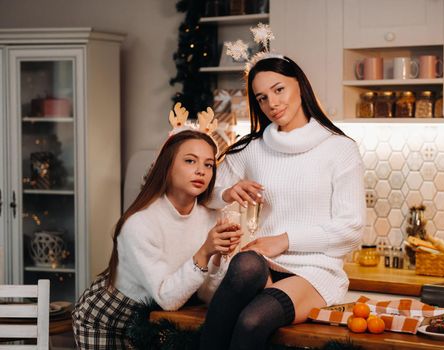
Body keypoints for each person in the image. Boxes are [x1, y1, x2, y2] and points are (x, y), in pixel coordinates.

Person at [199, 53, 366, 350]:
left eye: (279, 90)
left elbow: (351, 230)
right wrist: (226, 192)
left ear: (299, 85)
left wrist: (284, 240)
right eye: (262, 98)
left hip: (315, 270)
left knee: (252, 320)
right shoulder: (252, 148)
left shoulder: (339, 149)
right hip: (262, 263)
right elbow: (206, 191)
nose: (272, 104)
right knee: (246, 264)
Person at [72, 128, 241, 349]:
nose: (201, 171)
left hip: (158, 319)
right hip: (109, 318)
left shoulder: (211, 218)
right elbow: (167, 298)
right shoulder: (139, 223)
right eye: (190, 161)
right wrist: (204, 252)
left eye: (208, 165)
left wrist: (219, 257)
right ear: (167, 167)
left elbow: (207, 295)